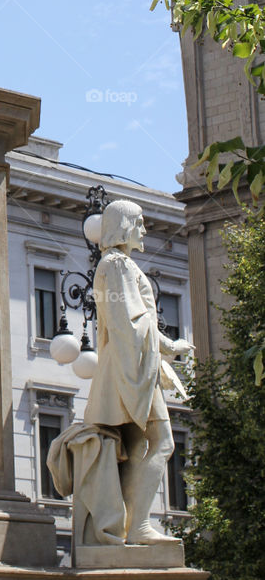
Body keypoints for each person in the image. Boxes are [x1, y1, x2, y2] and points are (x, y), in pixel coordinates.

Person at [82, 199, 193, 545]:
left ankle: (129, 526)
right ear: (126, 225)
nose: (145, 230)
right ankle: (140, 525)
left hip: (125, 364)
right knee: (163, 443)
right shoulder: (117, 265)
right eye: (140, 223)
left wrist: (164, 346)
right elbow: (130, 321)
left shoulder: (113, 265)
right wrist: (168, 346)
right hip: (130, 366)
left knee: (135, 448)